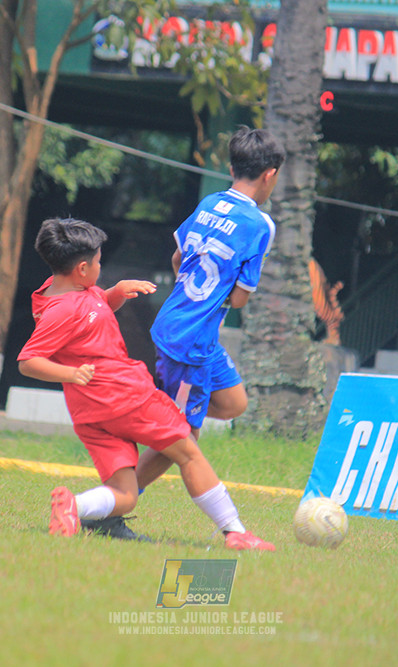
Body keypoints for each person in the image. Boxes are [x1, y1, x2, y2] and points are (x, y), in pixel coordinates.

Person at [17, 217, 274, 551]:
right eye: (97, 263)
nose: (100, 267)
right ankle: (235, 531)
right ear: (81, 268)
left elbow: (91, 311)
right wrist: (70, 373)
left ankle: (73, 507)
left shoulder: (61, 291)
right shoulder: (62, 311)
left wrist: (115, 293)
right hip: (123, 395)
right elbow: (29, 361)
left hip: (90, 412)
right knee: (188, 451)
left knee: (125, 495)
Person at [138, 126, 284, 481]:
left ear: (232, 169)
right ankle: (114, 500)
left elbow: (177, 258)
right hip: (191, 342)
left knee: (234, 403)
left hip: (182, 327)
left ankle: (168, 410)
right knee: (183, 439)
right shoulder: (260, 224)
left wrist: (195, 295)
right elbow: (239, 298)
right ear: (270, 175)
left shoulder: (209, 203)